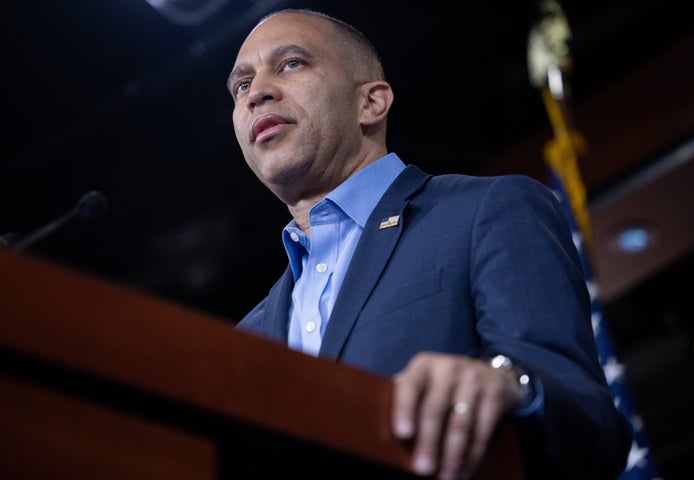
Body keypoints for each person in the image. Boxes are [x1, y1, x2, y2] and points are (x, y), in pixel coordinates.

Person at [227, 8, 632, 480]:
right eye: (240, 86)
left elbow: (589, 423)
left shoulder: (488, 210)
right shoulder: (244, 340)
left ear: (371, 103)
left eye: (291, 63)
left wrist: (509, 383)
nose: (257, 93)